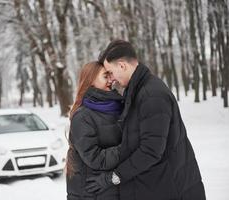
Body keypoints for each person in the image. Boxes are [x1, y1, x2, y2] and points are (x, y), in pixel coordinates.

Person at [85, 40, 206, 200]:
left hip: (171, 189)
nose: (112, 79)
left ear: (122, 66)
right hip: (157, 186)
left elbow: (150, 151)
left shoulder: (151, 95)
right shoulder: (138, 92)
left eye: (110, 72)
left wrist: (114, 177)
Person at [66, 61, 124, 200]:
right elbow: (95, 158)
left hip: (111, 189)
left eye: (111, 75)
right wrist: (127, 148)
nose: (111, 80)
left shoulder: (118, 107)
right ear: (91, 80)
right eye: (105, 76)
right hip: (91, 193)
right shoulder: (82, 116)